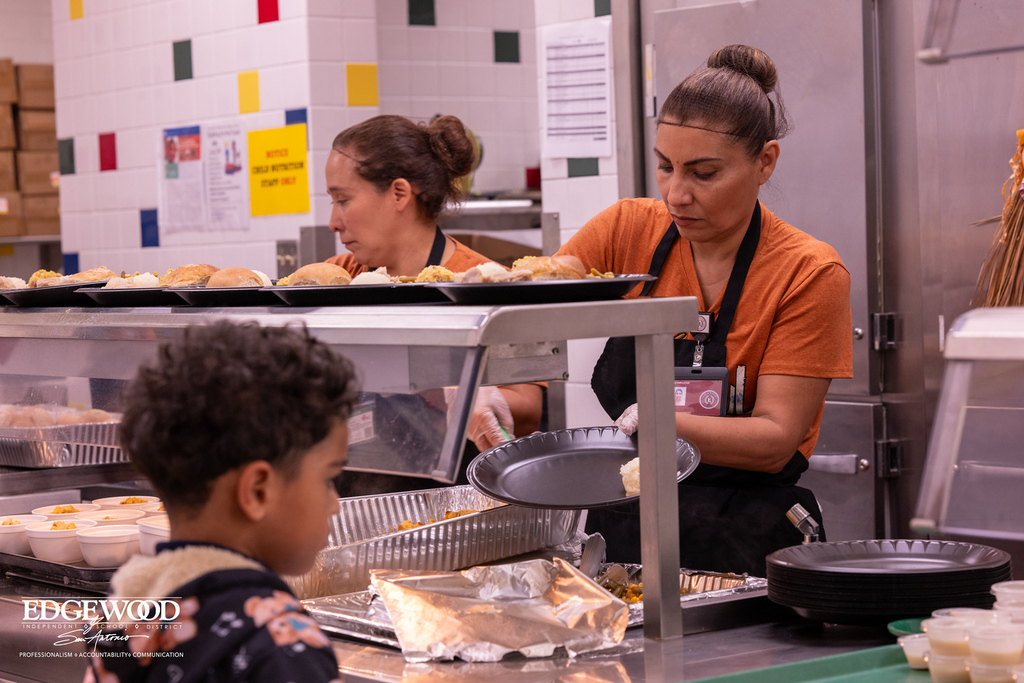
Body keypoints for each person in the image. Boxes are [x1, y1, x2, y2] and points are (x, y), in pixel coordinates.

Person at [554, 45, 853, 576]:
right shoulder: (628, 230)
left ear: (765, 161)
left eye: (704, 173)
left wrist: (660, 422)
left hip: (749, 543)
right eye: (665, 167)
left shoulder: (808, 272)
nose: (676, 195)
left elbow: (773, 440)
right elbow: (536, 299)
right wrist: (489, 387)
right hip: (628, 532)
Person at [84, 321, 359, 683]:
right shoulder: (280, 642)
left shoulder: (126, 613)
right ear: (258, 491)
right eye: (328, 478)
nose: (335, 503)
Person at [322, 115, 542, 493]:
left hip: (457, 502)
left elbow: (528, 412)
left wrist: (454, 391)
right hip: (354, 497)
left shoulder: (485, 283)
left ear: (399, 194)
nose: (333, 222)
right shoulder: (336, 278)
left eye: (343, 200)